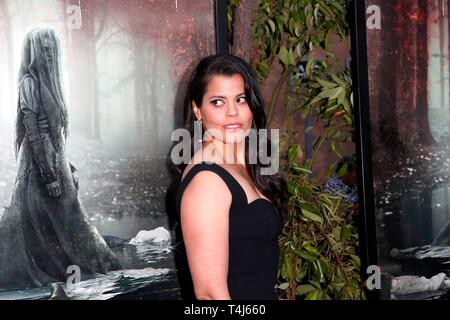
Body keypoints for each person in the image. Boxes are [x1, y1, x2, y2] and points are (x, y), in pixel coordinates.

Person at [0, 28, 120, 291]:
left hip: (51, 163)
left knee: (65, 222)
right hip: (38, 169)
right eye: (42, 50)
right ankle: (64, 276)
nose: (47, 55)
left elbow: (53, 137)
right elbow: (34, 133)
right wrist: (50, 175)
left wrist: (65, 167)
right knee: (48, 224)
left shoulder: (46, 84)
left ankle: (76, 273)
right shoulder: (30, 83)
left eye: (50, 49)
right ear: (32, 53)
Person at [175, 54, 288, 300]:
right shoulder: (208, 180)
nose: (232, 113)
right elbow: (209, 294)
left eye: (240, 99)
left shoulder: (243, 162)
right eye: (217, 102)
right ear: (197, 109)